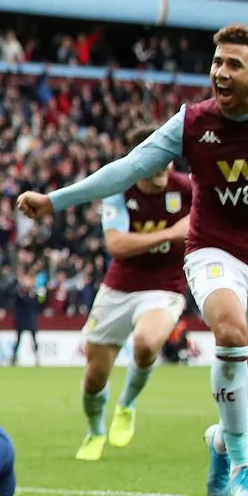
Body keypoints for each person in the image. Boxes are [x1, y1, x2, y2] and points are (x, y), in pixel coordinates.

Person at [16, 24, 248, 496]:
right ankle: (243, 464)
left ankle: (221, 442)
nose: (220, 72)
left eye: (233, 65)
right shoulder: (191, 122)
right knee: (230, 332)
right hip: (212, 249)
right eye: (217, 62)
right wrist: (54, 200)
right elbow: (128, 168)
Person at [74, 125, 193, 461]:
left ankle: (126, 404)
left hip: (165, 286)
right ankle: (95, 431)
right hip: (119, 288)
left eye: (168, 158)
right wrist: (170, 233)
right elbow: (117, 244)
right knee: (95, 376)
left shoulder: (188, 188)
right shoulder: (118, 189)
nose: (164, 166)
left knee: (147, 342)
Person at [10, 274, 44, 367]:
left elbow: (40, 304)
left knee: (34, 340)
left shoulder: (35, 295)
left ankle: (37, 358)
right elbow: (15, 301)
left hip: (31, 319)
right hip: (21, 319)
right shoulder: (19, 294)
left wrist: (40, 295)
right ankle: (14, 357)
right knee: (18, 340)